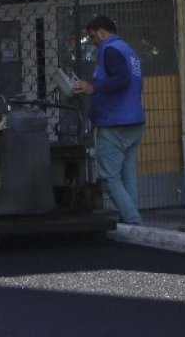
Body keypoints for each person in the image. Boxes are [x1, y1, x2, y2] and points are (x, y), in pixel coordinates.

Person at [72, 15, 146, 226]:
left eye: (92, 35)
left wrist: (92, 87)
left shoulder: (110, 50)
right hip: (134, 121)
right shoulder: (128, 51)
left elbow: (122, 79)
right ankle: (131, 223)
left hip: (116, 123)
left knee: (109, 178)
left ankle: (133, 222)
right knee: (127, 174)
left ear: (102, 32)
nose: (91, 40)